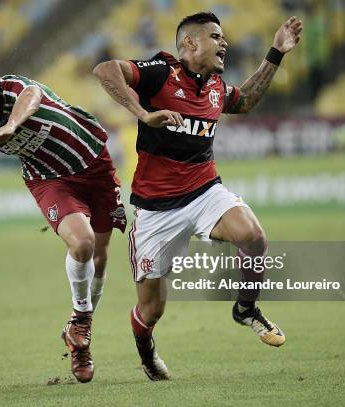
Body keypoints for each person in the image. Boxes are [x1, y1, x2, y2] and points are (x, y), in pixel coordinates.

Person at [93, 12, 303, 380]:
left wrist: (276, 51)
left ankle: (246, 309)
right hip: (155, 211)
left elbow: (248, 98)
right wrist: (144, 113)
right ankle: (147, 353)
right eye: (215, 36)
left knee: (253, 236)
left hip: (205, 192)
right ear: (190, 42)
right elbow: (105, 70)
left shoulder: (216, 88)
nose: (225, 43)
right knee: (151, 310)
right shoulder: (161, 72)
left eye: (224, 38)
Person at [0, 60, 127, 383]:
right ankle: (81, 325)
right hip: (50, 181)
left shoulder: (11, 89)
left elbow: (33, 94)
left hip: (94, 165)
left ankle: (78, 332)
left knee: (100, 258)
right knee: (82, 243)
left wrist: (10, 126)